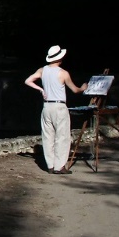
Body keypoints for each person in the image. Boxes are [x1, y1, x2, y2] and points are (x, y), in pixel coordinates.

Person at [25, 45, 88, 174]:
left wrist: (41, 89)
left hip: (47, 106)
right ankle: (59, 166)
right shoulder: (63, 73)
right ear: (60, 58)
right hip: (59, 107)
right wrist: (83, 87)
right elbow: (75, 90)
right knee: (62, 137)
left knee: (48, 136)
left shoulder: (42, 70)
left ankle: (50, 165)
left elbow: (28, 81)